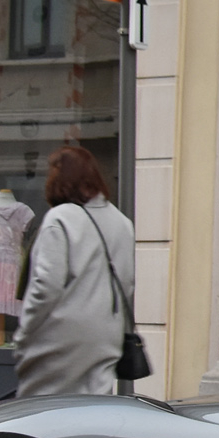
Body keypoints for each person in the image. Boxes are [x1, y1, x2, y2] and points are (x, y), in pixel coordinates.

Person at [14, 145, 136, 399]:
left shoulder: (59, 219)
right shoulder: (122, 222)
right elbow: (126, 283)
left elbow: (46, 285)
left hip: (61, 337)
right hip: (106, 335)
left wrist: (25, 332)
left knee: (40, 411)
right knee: (93, 412)